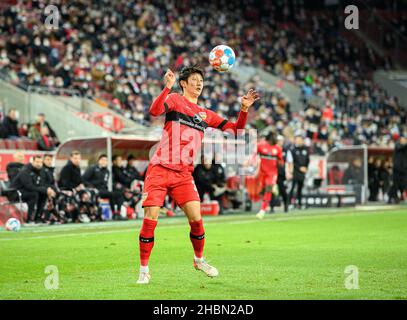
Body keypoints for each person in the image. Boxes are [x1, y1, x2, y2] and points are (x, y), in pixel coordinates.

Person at [137, 66, 259, 284]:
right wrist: (167, 87)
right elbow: (155, 111)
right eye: (194, 79)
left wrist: (244, 109)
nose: (199, 83)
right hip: (160, 168)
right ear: (184, 83)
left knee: (196, 218)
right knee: (150, 218)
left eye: (201, 80)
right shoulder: (174, 99)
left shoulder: (206, 114)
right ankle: (144, 269)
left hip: (184, 173)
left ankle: (199, 260)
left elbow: (235, 130)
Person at [10, 155, 56, 223]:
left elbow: (39, 185)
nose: (39, 164)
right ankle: (30, 219)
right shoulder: (25, 170)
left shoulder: (39, 171)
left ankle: (38, 217)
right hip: (15, 192)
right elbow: (29, 186)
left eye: (40, 162)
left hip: (26, 191)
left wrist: (48, 190)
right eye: (37, 161)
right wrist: (45, 190)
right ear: (32, 162)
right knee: (34, 194)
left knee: (43, 194)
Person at [82, 154, 124, 219]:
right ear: (99, 161)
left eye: (106, 160)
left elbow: (105, 183)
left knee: (119, 194)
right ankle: (112, 213)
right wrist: (91, 187)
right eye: (103, 160)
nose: (104, 162)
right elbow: (84, 179)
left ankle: (117, 213)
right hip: (93, 190)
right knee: (111, 194)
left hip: (103, 191)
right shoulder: (93, 168)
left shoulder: (107, 171)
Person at [255, 131, 283, 219]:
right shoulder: (260, 146)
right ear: (270, 138)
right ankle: (274, 188)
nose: (276, 139)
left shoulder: (277, 149)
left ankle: (262, 210)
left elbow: (281, 161)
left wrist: (280, 163)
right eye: (275, 137)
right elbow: (253, 156)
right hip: (262, 173)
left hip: (272, 174)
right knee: (262, 191)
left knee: (268, 190)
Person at [271, 135, 292, 213]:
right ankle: (271, 207)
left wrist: (289, 172)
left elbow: (289, 162)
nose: (280, 142)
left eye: (281, 141)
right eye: (278, 141)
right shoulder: (272, 149)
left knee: (282, 190)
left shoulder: (286, 151)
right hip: (272, 173)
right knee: (270, 190)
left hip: (281, 174)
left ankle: (286, 205)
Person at [289, 134, 310, 209]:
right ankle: (289, 203)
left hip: (302, 172)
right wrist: (299, 168)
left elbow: (307, 160)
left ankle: (300, 203)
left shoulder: (306, 149)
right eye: (297, 140)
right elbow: (292, 162)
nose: (298, 141)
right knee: (292, 187)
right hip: (295, 172)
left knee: (300, 188)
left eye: (300, 140)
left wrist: (305, 167)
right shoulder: (293, 150)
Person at [388, 136, 407, 203]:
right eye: (403, 140)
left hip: (404, 170)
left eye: (405, 140)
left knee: (404, 184)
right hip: (397, 169)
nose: (404, 141)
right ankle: (390, 198)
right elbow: (401, 147)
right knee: (394, 185)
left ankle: (401, 197)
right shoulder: (397, 145)